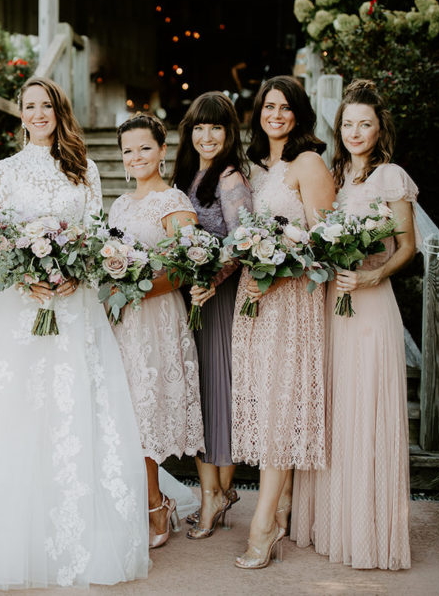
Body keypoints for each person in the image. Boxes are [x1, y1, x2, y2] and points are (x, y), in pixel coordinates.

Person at [0, 77, 149, 589]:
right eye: (29, 106)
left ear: (58, 109)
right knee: (16, 408)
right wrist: (23, 271)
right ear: (19, 115)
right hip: (18, 306)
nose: (39, 113)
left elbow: (94, 231)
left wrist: (75, 273)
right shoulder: (3, 169)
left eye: (46, 104)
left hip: (74, 305)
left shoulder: (85, 167)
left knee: (73, 407)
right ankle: (7, 535)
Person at [291, 80, 416, 570]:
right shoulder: (336, 176)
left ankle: (369, 531)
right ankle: (331, 523)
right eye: (348, 124)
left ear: (379, 127)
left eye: (365, 123)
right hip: (332, 304)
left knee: (366, 408)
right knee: (336, 406)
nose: (356, 131)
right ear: (338, 129)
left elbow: (407, 246)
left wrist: (371, 275)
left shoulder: (391, 177)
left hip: (369, 304)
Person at [230, 75, 335, 569]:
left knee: (278, 406)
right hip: (254, 299)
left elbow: (324, 243)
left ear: (299, 114)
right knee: (265, 400)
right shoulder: (256, 168)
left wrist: (277, 269)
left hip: (292, 302)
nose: (276, 114)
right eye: (269, 106)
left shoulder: (308, 163)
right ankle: (284, 502)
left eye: (285, 107)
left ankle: (263, 523)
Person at [108, 113, 203, 550]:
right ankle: (147, 498)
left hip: (156, 316)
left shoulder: (175, 202)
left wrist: (136, 290)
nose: (136, 156)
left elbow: (185, 270)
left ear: (162, 150)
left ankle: (153, 503)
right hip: (120, 320)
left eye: (144, 147)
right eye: (128, 150)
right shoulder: (120, 206)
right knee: (125, 411)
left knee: (145, 411)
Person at [169, 92, 252, 540]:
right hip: (191, 293)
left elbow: (243, 241)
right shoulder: (187, 175)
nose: (206, 136)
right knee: (199, 388)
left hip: (218, 297)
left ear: (229, 132)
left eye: (216, 128)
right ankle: (217, 491)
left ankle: (216, 493)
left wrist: (211, 279)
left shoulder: (230, 178)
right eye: (199, 128)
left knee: (217, 388)